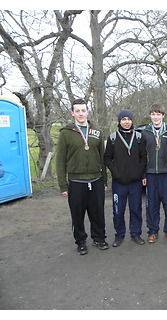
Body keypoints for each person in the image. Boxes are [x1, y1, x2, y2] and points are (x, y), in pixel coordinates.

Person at [56, 98, 109, 255]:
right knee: (77, 214)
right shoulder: (66, 134)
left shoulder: (97, 132)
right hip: (76, 181)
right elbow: (60, 161)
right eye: (77, 111)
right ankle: (80, 241)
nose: (80, 113)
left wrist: (104, 179)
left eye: (83, 110)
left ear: (87, 111)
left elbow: (102, 158)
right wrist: (63, 185)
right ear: (72, 113)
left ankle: (99, 238)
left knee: (97, 212)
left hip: (96, 180)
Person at [104, 110, 147, 247]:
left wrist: (138, 173)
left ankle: (136, 233)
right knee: (118, 210)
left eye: (129, 119)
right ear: (119, 121)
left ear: (132, 121)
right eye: (124, 119)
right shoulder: (113, 138)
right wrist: (115, 173)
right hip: (119, 182)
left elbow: (143, 158)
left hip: (135, 182)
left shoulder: (139, 137)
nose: (126, 122)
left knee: (136, 209)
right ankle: (119, 235)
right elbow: (107, 158)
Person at [141, 104, 167, 243]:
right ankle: (152, 230)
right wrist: (143, 175)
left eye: (158, 114)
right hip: (150, 174)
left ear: (163, 116)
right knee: (152, 204)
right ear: (150, 116)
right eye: (153, 114)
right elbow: (142, 156)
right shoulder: (145, 132)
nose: (156, 117)